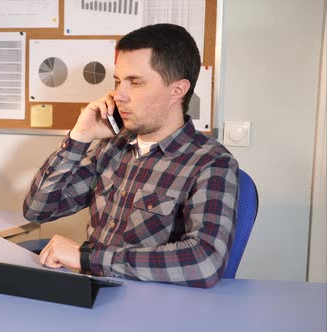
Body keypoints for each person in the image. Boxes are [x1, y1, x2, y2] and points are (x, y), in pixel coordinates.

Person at [23, 23, 239, 288]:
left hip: (151, 308)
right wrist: (79, 137)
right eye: (117, 81)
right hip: (93, 294)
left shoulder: (211, 162)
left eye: (135, 82)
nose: (118, 95)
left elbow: (204, 262)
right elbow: (38, 210)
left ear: (177, 91)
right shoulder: (113, 146)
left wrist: (88, 258)